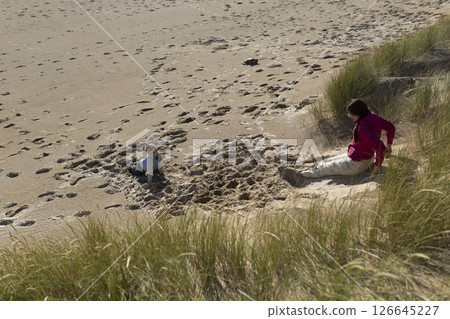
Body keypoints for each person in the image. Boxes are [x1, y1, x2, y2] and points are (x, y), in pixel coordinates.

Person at [279, 99, 395, 187]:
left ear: (357, 114)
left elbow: (380, 147)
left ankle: (301, 177)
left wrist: (377, 167)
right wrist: (389, 145)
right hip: (362, 158)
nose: (349, 116)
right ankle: (306, 172)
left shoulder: (362, 129)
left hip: (357, 165)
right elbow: (391, 128)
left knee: (326, 168)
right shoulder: (373, 117)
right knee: (326, 161)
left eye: (350, 114)